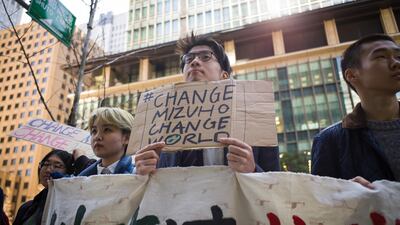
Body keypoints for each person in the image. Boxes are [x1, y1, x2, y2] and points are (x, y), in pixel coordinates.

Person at [134, 34, 280, 175]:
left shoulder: (256, 119)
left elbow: (275, 181)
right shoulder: (162, 128)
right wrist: (144, 172)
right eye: (188, 59)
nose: (194, 62)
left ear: (224, 76)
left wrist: (253, 170)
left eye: (206, 57)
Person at [311, 34, 400, 186]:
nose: (396, 63)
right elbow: (322, 202)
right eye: (381, 57)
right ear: (352, 75)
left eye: (398, 56)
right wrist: (345, 193)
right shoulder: (330, 140)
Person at [13, 150, 74, 225]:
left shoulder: (73, 208)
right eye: (46, 164)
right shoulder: (26, 208)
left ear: (69, 172)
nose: (48, 170)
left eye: (57, 166)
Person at [78, 107, 136, 176]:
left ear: (127, 138)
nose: (97, 137)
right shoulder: (78, 180)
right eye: (94, 131)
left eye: (107, 130)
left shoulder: (140, 175)